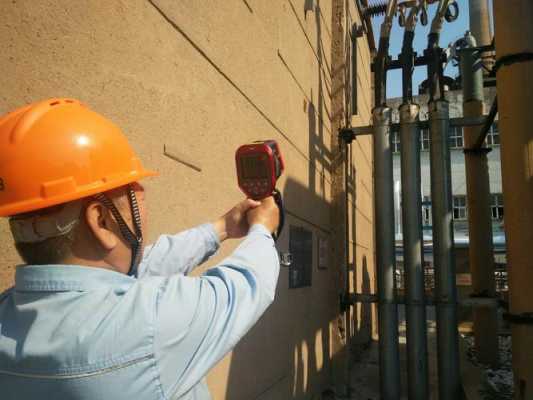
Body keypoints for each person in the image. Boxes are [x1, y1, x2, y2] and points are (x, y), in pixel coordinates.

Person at [0, 98, 280, 399]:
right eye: (136, 196)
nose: (143, 206)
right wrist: (263, 228)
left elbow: (140, 269)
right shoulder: (153, 325)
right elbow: (248, 283)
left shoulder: (9, 315)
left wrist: (223, 228)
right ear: (101, 220)